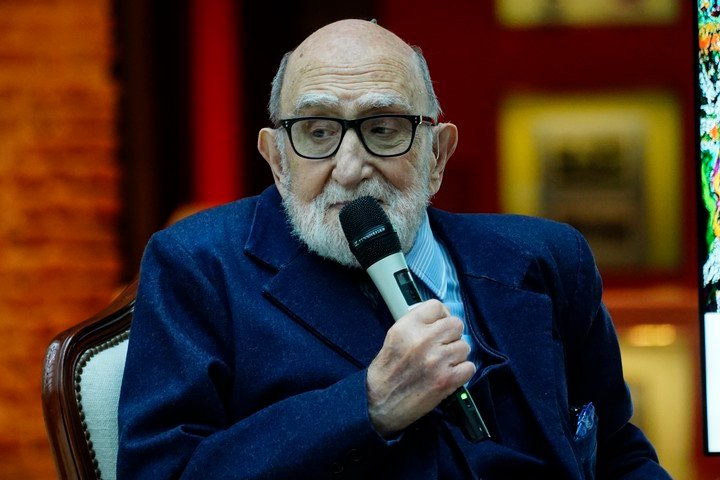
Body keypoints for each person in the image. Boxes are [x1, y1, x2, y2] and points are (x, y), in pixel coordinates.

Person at [117, 19, 671, 479]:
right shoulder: (199, 266)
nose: (352, 168)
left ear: (438, 154)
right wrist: (369, 405)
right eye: (316, 132)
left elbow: (618, 453)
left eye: (384, 128)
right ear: (277, 159)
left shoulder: (549, 259)